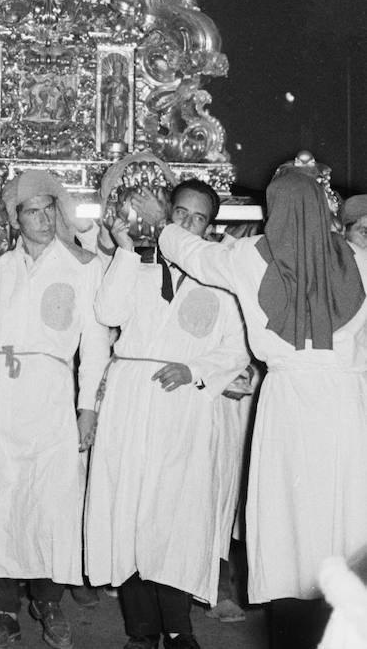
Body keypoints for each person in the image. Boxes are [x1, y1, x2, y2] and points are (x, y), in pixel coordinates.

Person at [143, 156, 367, 649]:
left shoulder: (249, 258)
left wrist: (161, 222)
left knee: (289, 523)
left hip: (288, 407)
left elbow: (192, 253)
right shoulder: (360, 260)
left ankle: (293, 628)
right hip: (348, 409)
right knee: (342, 517)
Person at [0, 170, 110, 649]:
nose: (45, 218)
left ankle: (49, 602)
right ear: (16, 218)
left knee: (50, 499)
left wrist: (87, 407)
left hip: (48, 391)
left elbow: (94, 345)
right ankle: (3, 610)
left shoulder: (84, 266)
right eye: (33, 210)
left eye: (50, 208)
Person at [84, 179, 250, 649]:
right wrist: (122, 251)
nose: (187, 224)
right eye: (180, 214)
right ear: (166, 214)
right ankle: (141, 629)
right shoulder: (133, 264)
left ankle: (179, 629)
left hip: (184, 407)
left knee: (175, 517)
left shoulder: (218, 280)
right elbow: (107, 310)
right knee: (129, 509)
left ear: (208, 227)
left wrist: (195, 369)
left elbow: (235, 350)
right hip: (131, 400)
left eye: (199, 219)